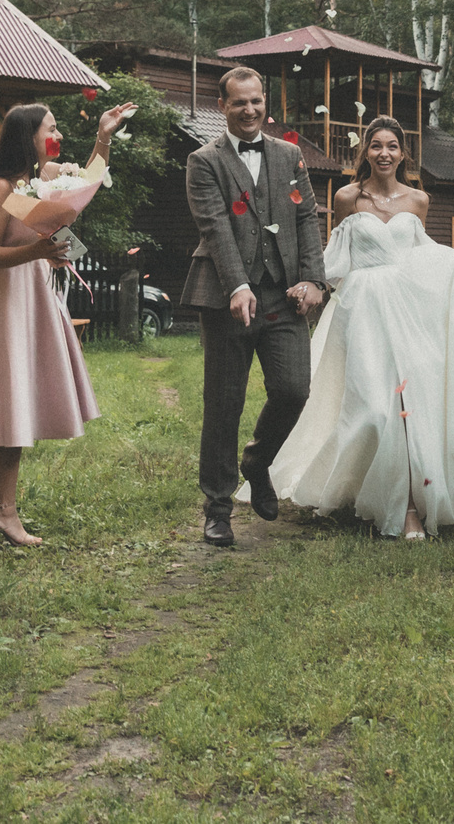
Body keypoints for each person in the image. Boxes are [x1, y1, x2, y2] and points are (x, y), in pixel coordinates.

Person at [271, 116, 454, 537]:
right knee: (374, 411)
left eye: (392, 146)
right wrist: (312, 284)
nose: (384, 154)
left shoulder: (419, 200)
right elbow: (335, 257)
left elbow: (422, 255)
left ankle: (410, 507)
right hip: (363, 312)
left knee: (412, 409)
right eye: (376, 146)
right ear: (365, 153)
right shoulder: (345, 198)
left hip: (411, 313)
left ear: (403, 153)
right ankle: (360, 487)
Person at [0, 98, 130, 547]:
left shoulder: (44, 181)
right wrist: (36, 252)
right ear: (29, 136)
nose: (56, 135)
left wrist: (104, 135)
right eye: (51, 128)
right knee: (6, 400)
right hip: (0, 297)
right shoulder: (3, 187)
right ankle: (2, 510)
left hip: (31, 295)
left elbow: (90, 181)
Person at [183, 66, 325, 548]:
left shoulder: (290, 156)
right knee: (224, 402)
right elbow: (215, 227)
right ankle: (218, 508)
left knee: (294, 390)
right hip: (227, 299)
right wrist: (237, 285)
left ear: (266, 103)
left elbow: (307, 218)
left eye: (256, 101)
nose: (249, 110)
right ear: (222, 106)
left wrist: (313, 279)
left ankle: (257, 462)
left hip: (283, 296)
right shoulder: (203, 161)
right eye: (239, 102)